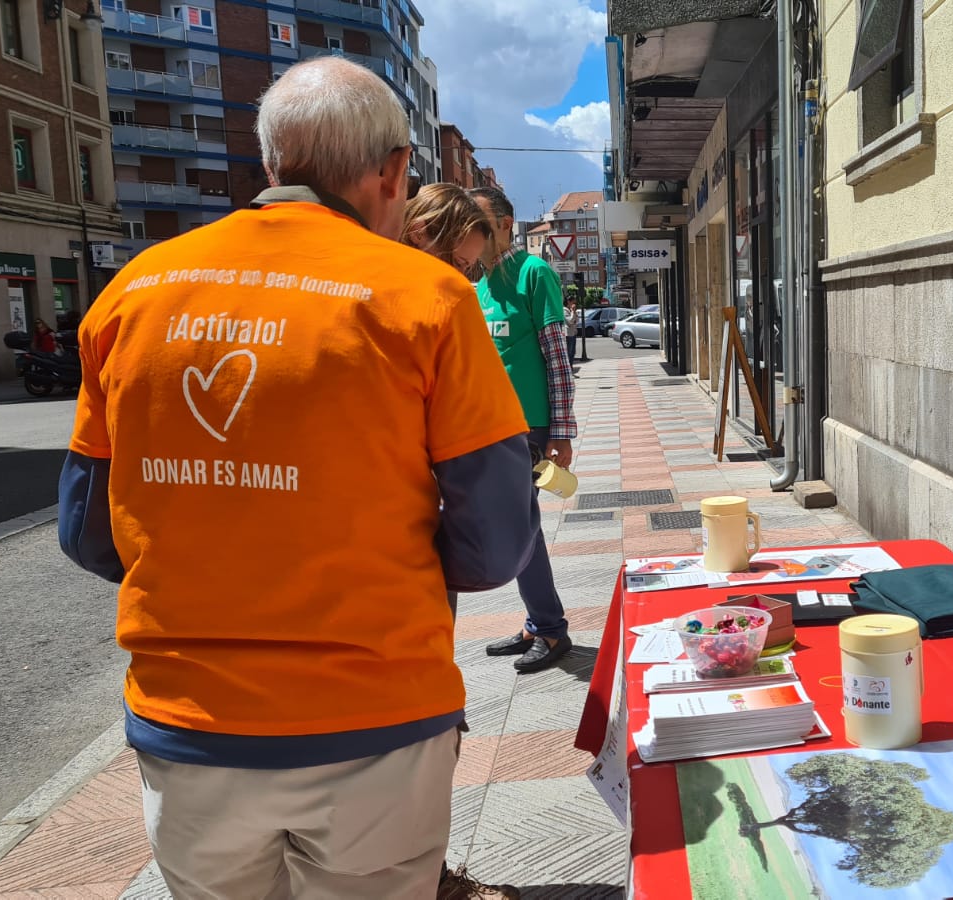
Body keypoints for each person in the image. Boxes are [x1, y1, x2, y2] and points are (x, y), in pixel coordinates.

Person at [57, 57, 537, 898]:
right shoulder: (427, 298)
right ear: (392, 172)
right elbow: (496, 542)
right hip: (375, 720)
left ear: (272, 164)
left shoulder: (133, 291)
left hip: (187, 724)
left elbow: (86, 529)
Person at [469, 185, 575, 673]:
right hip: (491, 425)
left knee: (522, 528)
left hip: (527, 426)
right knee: (520, 527)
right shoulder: (478, 285)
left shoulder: (533, 273)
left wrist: (561, 431)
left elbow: (557, 358)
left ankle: (550, 630)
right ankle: (539, 623)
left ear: (506, 224)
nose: (469, 231)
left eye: (479, 220)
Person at [564, 296, 580, 362]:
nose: (574, 304)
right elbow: (570, 321)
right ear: (568, 301)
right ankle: (569, 366)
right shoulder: (564, 310)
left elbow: (577, 320)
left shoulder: (571, 310)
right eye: (573, 302)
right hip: (568, 334)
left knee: (573, 352)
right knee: (569, 351)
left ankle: (571, 365)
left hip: (573, 333)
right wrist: (573, 312)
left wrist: (574, 312)